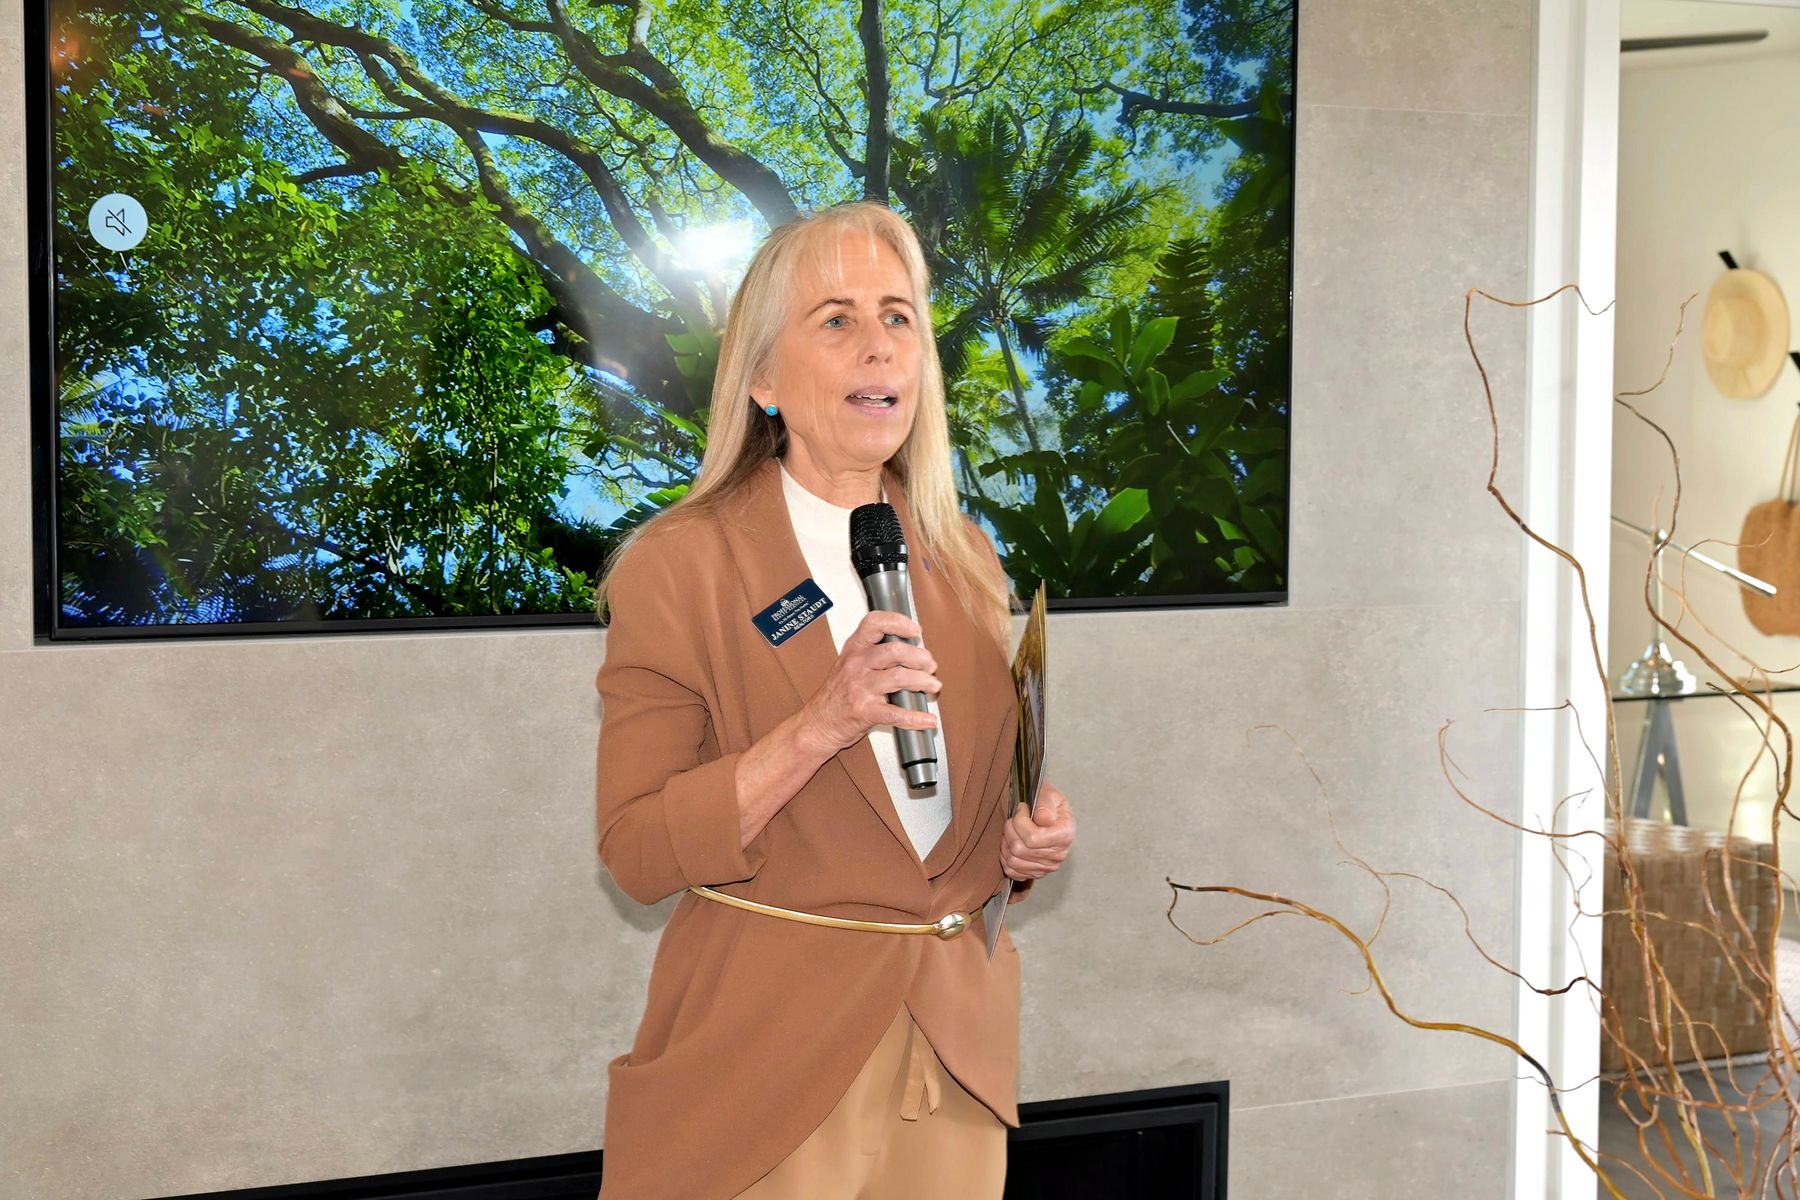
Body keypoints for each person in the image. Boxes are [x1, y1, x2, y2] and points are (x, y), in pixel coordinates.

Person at [591, 200, 1077, 1200]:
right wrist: (820, 726)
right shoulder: (678, 566)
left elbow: (943, 825)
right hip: (766, 1062)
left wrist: (1021, 847)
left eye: (898, 317)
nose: (879, 346)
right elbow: (637, 852)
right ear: (763, 379)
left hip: (952, 1056)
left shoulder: (964, 556)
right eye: (837, 319)